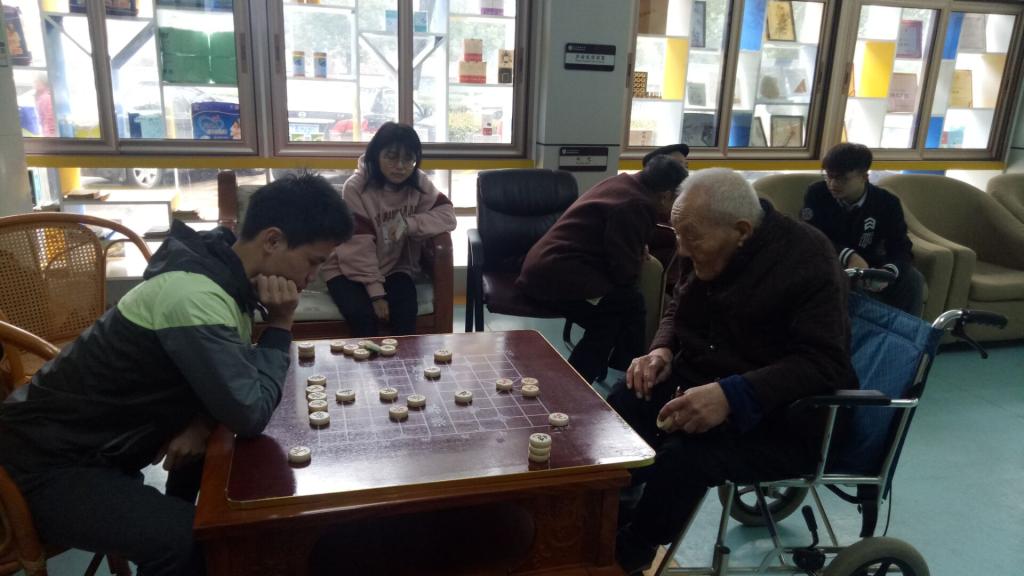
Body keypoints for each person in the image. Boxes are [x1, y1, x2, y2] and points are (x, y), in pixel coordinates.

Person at [0, 174, 354, 575]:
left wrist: (200, 422)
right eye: (313, 262)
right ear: (272, 241)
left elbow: (225, 375)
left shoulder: (221, 273)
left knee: (217, 464)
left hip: (94, 449)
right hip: (42, 469)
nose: (311, 279)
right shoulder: (194, 297)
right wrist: (280, 324)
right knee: (186, 544)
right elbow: (250, 413)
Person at [608, 168, 857, 575]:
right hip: (705, 374)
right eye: (677, 235)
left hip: (783, 414)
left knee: (683, 456)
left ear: (741, 231)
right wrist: (661, 349)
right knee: (624, 402)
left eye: (691, 239)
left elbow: (825, 363)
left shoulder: (808, 258)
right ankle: (612, 509)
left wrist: (732, 394)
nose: (682, 250)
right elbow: (678, 304)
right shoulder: (704, 240)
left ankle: (634, 549)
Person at [516, 155, 688, 385]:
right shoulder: (637, 204)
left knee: (611, 319)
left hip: (547, 269)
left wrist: (636, 245)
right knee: (628, 303)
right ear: (665, 195)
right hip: (555, 277)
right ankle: (626, 370)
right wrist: (635, 252)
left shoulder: (624, 183)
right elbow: (624, 272)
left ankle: (588, 380)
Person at [323, 122, 457, 337]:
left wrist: (409, 224)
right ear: (376, 155)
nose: (400, 166)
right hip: (346, 269)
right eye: (391, 157)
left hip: (393, 267)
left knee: (406, 313)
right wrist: (377, 294)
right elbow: (358, 247)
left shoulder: (418, 181)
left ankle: (405, 360)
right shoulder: (356, 187)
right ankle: (367, 361)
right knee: (363, 318)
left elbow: (447, 215)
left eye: (408, 158)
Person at [802, 143, 924, 316]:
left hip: (871, 265)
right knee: (847, 284)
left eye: (842, 179)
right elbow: (811, 237)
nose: (833, 184)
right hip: (831, 263)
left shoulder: (886, 202)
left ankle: (908, 331)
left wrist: (888, 271)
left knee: (913, 279)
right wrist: (849, 256)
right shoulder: (817, 193)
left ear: (864, 177)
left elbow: (901, 246)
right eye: (829, 176)